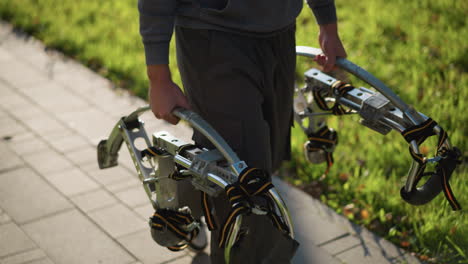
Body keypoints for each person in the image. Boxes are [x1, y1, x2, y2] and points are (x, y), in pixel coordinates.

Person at [138, 0, 347, 263]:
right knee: (248, 186)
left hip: (280, 33)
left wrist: (327, 24)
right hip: (213, 37)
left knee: (263, 160)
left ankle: (184, 212)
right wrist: (158, 77)